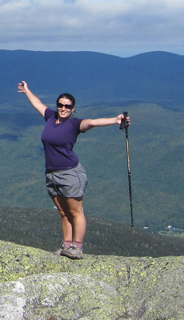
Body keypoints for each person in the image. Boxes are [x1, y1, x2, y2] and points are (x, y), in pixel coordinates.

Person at [18, 81, 129, 260]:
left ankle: (77, 248)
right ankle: (67, 246)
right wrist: (27, 91)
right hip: (51, 173)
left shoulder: (74, 124)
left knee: (76, 212)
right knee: (63, 213)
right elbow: (38, 104)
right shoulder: (50, 117)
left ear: (73, 108)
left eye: (67, 106)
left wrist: (115, 120)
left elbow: (93, 122)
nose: (63, 108)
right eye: (60, 105)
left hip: (70, 173)